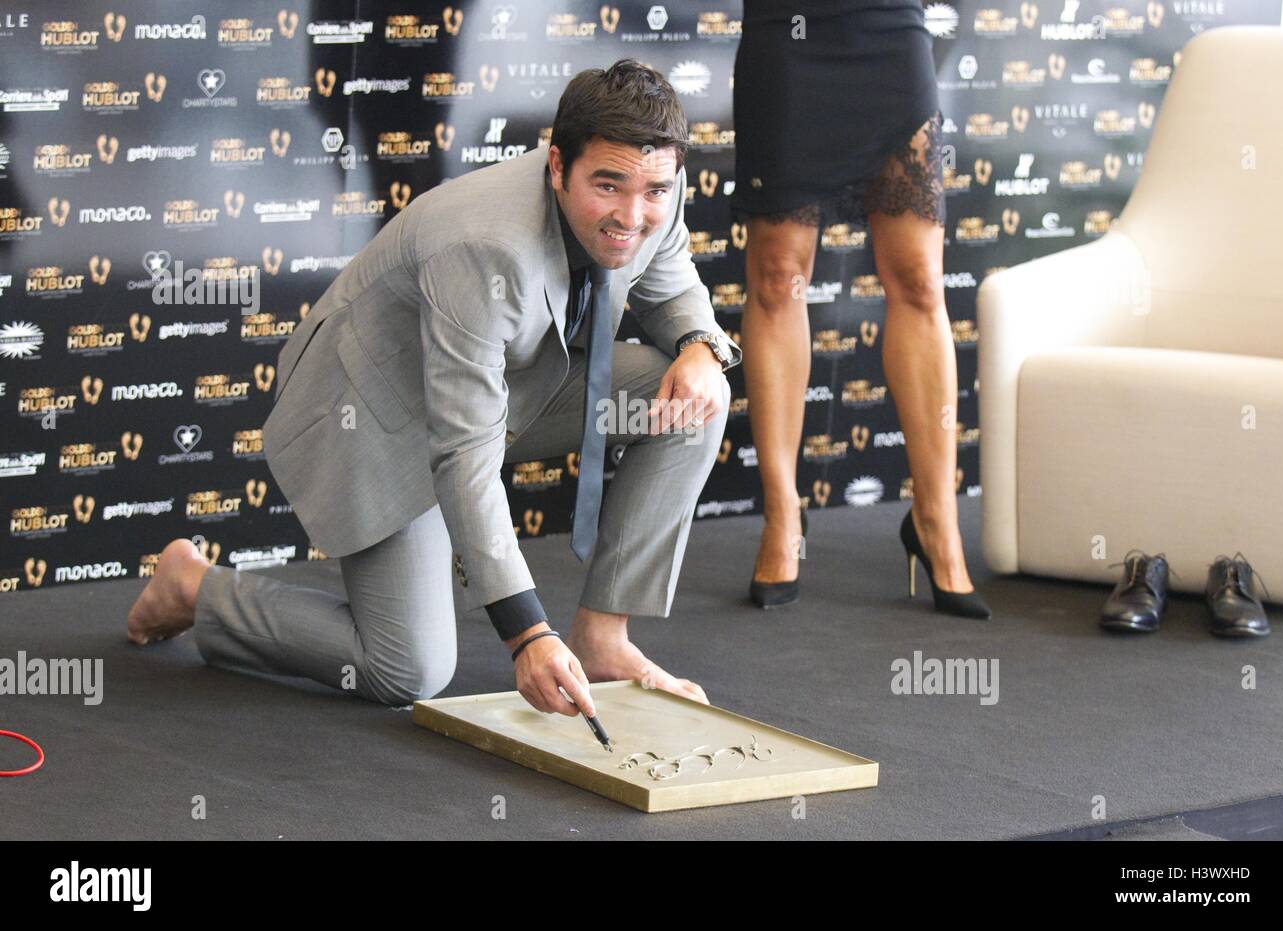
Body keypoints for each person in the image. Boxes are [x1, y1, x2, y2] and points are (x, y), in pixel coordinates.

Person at [126, 60, 742, 714]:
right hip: (378, 415)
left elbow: (670, 283)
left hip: (514, 387)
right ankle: (197, 588)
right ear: (557, 166)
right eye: (609, 186)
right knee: (408, 668)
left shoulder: (652, 188)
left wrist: (701, 346)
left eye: (653, 190)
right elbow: (462, 449)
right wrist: (527, 630)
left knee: (696, 402)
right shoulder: (484, 244)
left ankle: (603, 635)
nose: (632, 213)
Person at [730, 0, 990, 617]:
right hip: (787, 35)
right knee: (777, 277)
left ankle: (935, 520)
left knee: (921, 281)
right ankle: (781, 513)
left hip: (889, 32)